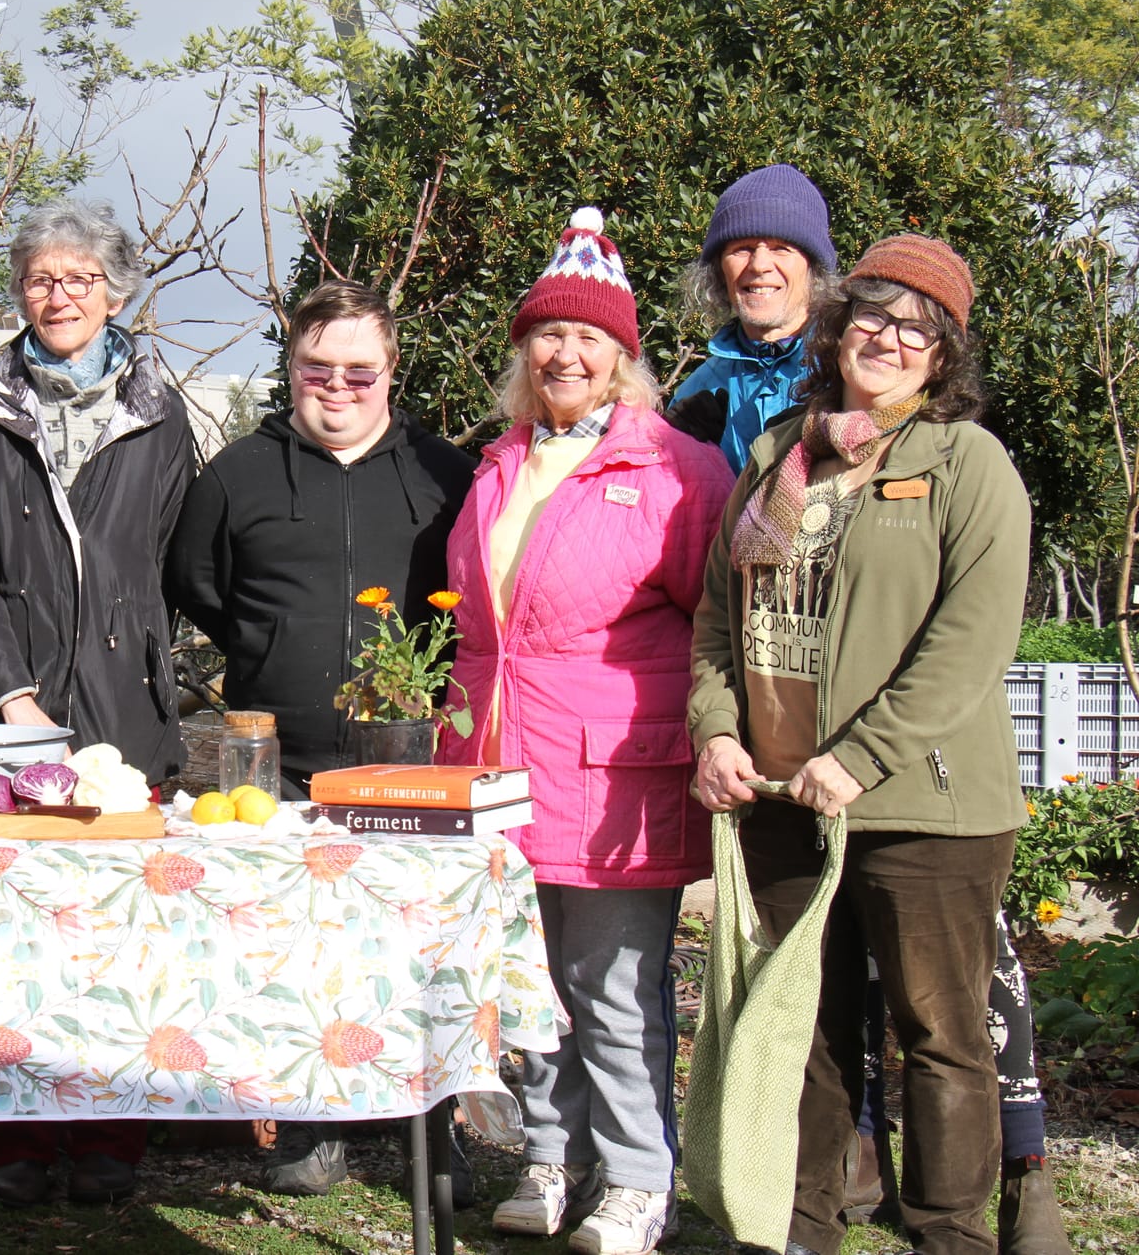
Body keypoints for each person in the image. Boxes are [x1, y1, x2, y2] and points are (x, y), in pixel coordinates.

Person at [675, 172, 1068, 1252]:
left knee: (936, 1035)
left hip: (923, 807)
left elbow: (969, 644)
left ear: (941, 356)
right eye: (870, 319)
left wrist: (859, 755)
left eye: (913, 330)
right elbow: (717, 621)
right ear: (835, 328)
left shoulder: (964, 464)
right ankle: (793, 1227)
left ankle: (950, 1233)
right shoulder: (774, 457)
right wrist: (715, 729)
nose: (885, 340)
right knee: (798, 1027)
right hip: (780, 795)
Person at [436, 207, 733, 1255]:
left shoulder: (674, 473)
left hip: (613, 773)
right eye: (546, 336)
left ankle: (637, 1180)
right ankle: (551, 1158)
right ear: (524, 351)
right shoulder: (497, 463)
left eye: (587, 339)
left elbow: (716, 620)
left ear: (621, 357)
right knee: (525, 984)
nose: (563, 353)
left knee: (610, 990)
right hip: (497, 761)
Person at [166, 278, 473, 1198]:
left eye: (359, 372)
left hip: (407, 760)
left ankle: (430, 1124)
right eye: (316, 369)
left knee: (419, 945)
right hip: (282, 761)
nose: (337, 388)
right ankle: (310, 1119)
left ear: (390, 371)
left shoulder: (443, 473)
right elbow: (198, 583)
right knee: (299, 945)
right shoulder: (237, 475)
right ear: (290, 368)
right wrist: (272, 649)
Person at [0, 197, 196, 1205]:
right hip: (13, 706)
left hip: (125, 709)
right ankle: (18, 1136)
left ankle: (109, 1134)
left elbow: (173, 553)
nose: (61, 295)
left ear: (116, 292)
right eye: (43, 277)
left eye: (81, 278)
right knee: (8, 932)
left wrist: (146, 665)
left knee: (118, 935)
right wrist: (10, 690)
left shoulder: (159, 407)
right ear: (19, 291)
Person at [664, 164, 838, 472]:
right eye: (742, 249)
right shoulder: (699, 391)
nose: (759, 265)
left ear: (813, 269)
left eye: (781, 249)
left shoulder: (844, 369)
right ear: (719, 270)